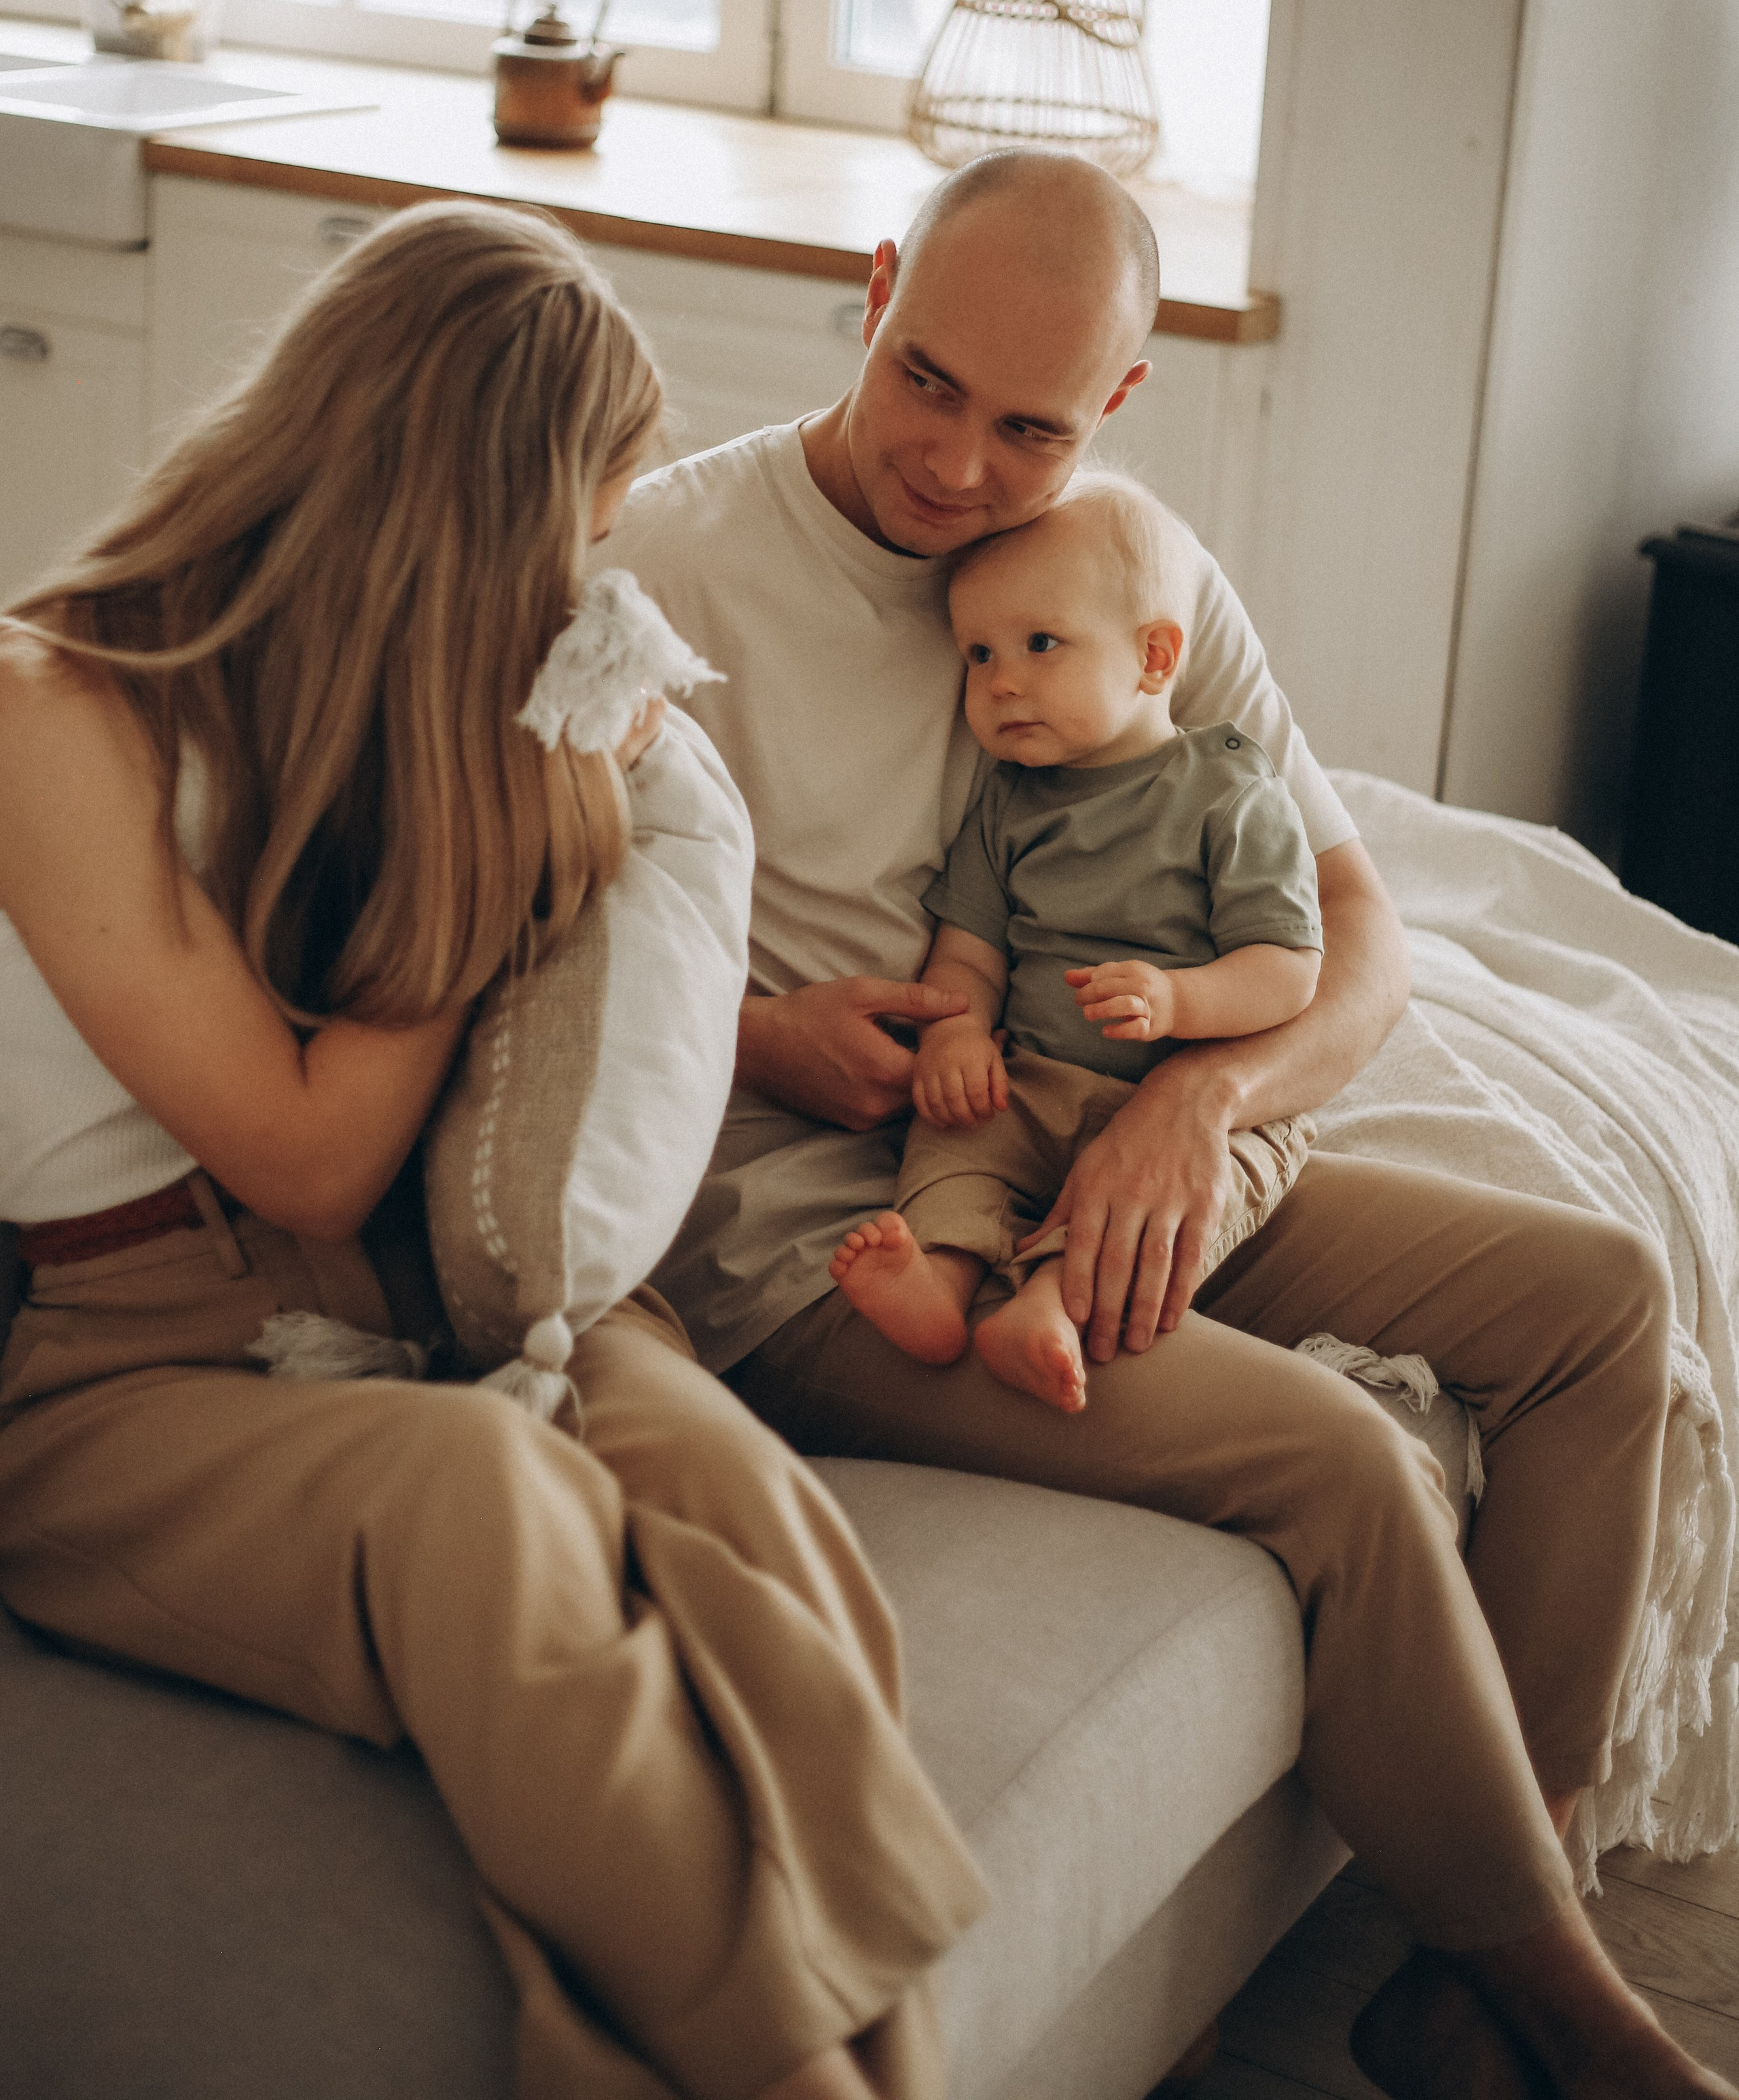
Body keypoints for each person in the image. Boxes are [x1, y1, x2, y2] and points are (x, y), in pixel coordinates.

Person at [607, 148, 1730, 2100]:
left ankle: (1475, 1955)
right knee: (1344, 1469)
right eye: (926, 380)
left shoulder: (1131, 573)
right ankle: (1568, 2005)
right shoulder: (667, 571)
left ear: (1116, 403)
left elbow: (1356, 936)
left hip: (1097, 1148)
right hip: (835, 1249)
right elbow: (499, 957)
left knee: (1603, 1310)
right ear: (876, 288)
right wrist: (764, 1037)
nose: (958, 465)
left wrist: (1201, 1102)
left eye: (1030, 426)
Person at [0, 202, 986, 2100]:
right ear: (466, 508)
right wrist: (515, 804)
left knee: (732, 1489)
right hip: (133, 1369)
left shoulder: (380, 698)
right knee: (491, 1504)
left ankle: (903, 2075)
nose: (592, 565)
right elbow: (295, 1156)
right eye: (581, 520)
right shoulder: (49, 709)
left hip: (416, 1285)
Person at [829, 472, 1321, 1414]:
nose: (1001, 680)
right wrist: (957, 1038)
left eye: (1041, 644)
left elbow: (1288, 970)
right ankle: (940, 1276)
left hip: (1179, 1100)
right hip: (1038, 1079)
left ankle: (1050, 1305)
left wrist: (1182, 1002)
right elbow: (969, 955)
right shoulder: (1008, 804)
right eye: (978, 654)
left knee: (1199, 1193)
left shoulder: (1227, 791)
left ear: (1155, 657)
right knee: (957, 1141)